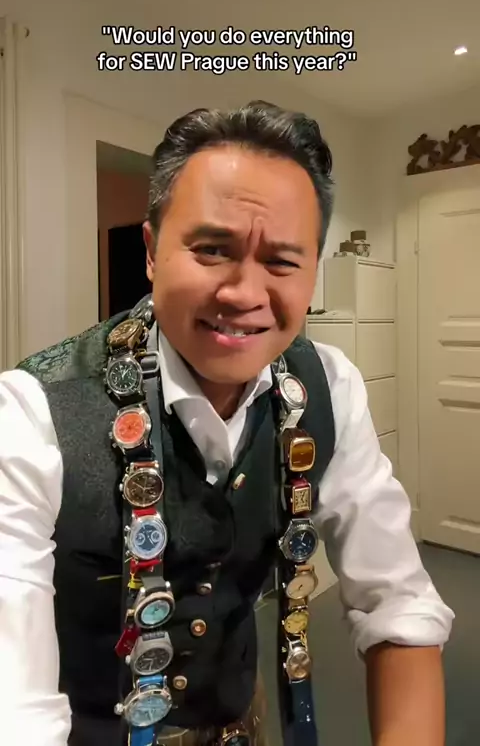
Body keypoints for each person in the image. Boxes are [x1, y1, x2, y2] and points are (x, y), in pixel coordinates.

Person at [0, 100, 454, 746]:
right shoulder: (33, 412)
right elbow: (14, 709)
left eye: (283, 261)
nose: (244, 294)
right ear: (152, 251)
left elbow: (398, 601)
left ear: (314, 271)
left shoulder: (328, 386)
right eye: (212, 249)